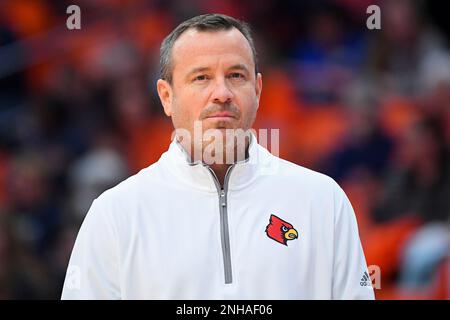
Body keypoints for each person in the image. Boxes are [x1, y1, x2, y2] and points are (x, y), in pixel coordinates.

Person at [61, 13, 374, 300]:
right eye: (201, 77)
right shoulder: (115, 215)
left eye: (236, 75)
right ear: (166, 97)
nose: (222, 92)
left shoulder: (323, 200)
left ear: (258, 90)